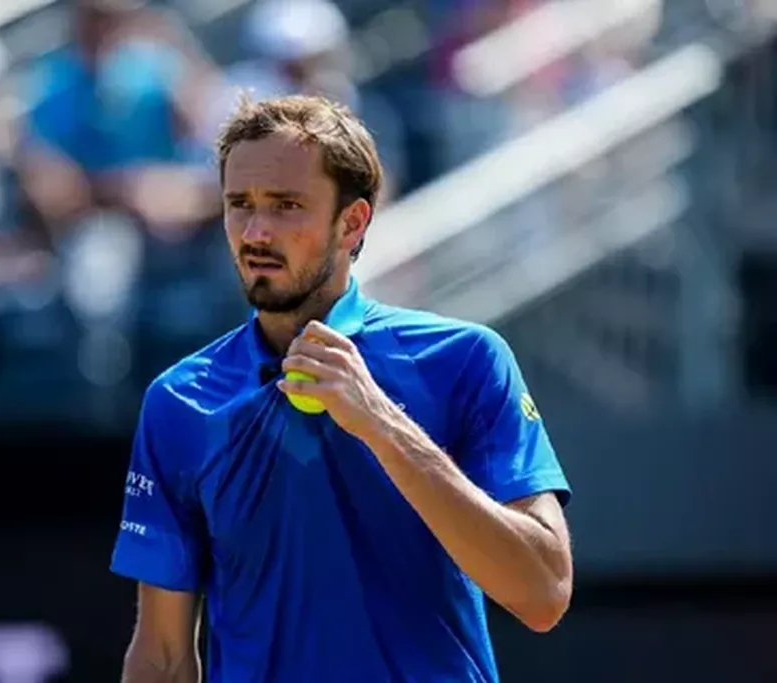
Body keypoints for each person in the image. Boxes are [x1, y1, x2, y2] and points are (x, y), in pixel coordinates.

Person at [110, 95, 573, 682]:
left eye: (286, 206)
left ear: (352, 223)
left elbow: (543, 591)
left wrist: (381, 422)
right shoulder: (178, 401)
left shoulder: (467, 360)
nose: (256, 231)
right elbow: (162, 656)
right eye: (239, 204)